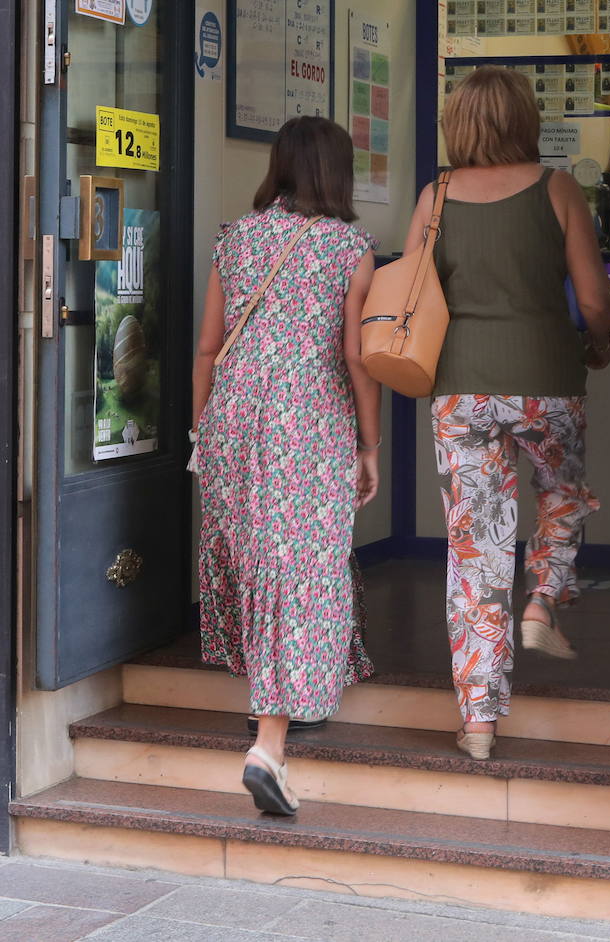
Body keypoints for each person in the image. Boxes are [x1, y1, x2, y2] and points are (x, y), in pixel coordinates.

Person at [403, 66, 610, 761]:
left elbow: (412, 293)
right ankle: (542, 599)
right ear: (524, 118)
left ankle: (480, 722)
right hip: (546, 379)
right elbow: (592, 298)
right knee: (562, 493)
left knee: (474, 553)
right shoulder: (557, 190)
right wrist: (598, 339)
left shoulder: (435, 197)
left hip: (461, 388)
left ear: (457, 123)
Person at [191, 115, 381, 816]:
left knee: (261, 560)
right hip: (307, 417)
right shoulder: (349, 249)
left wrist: (202, 427)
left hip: (231, 415)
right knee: (301, 565)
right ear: (337, 173)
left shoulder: (236, 239)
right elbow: (358, 358)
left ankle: (292, 689)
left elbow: (208, 347)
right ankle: (271, 740)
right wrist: (370, 443)